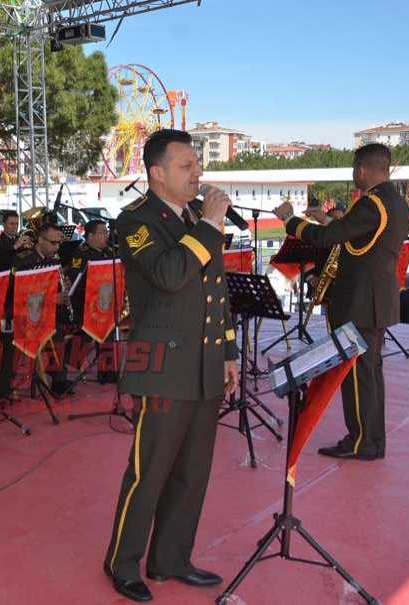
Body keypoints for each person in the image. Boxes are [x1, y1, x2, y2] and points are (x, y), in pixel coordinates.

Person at [102, 129, 236, 603]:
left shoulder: (199, 218)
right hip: (160, 368)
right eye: (186, 166)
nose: (198, 173)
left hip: (203, 366)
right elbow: (171, 275)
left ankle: (171, 558)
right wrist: (210, 227)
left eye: (198, 164)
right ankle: (122, 562)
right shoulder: (136, 222)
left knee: (192, 471)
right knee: (150, 470)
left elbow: (216, 293)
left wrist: (228, 353)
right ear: (157, 173)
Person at [273, 143, 409, 461]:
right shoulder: (395, 202)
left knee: (359, 375)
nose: (353, 175)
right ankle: (373, 440)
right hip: (377, 299)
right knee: (371, 374)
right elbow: (352, 235)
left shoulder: (370, 204)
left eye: (354, 170)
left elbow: (325, 239)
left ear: (362, 170)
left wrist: (291, 221)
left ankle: (361, 442)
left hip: (359, 301)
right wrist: (327, 221)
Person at [13, 222, 72, 396]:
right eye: (53, 243)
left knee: (65, 329)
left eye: (59, 243)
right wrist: (52, 299)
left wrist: (63, 286)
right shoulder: (23, 260)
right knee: (56, 331)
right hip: (27, 315)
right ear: (40, 240)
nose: (57, 247)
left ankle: (58, 379)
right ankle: (53, 378)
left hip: (47, 313)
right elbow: (21, 295)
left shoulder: (54, 260)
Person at [68, 219, 118, 383]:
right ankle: (69, 361)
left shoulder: (109, 252)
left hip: (104, 302)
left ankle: (107, 370)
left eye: (106, 232)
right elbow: (76, 280)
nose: (107, 235)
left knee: (109, 327)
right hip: (85, 303)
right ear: (90, 236)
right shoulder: (80, 254)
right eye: (102, 232)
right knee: (85, 337)